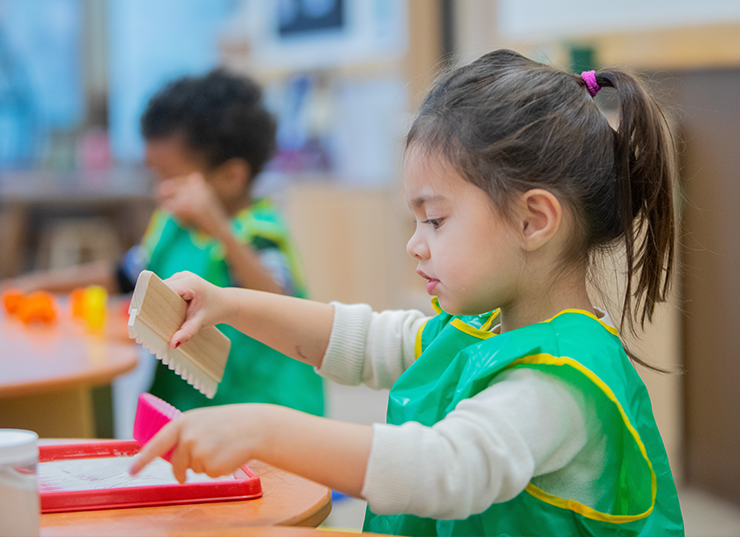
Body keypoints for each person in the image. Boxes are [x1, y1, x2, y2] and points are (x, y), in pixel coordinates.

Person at [129, 50, 684, 536]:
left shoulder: (561, 383)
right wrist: (227, 303)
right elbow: (360, 339)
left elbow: (443, 469)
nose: (416, 246)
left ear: (533, 220)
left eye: (436, 220)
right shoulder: (482, 326)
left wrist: (261, 428)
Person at [3, 70, 324, 416]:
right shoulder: (173, 225)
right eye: (155, 176)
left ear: (232, 177)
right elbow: (124, 275)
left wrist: (220, 229)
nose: (160, 190)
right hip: (189, 404)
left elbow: (279, 303)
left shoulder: (258, 233)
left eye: (171, 178)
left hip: (263, 409)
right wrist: (29, 285)